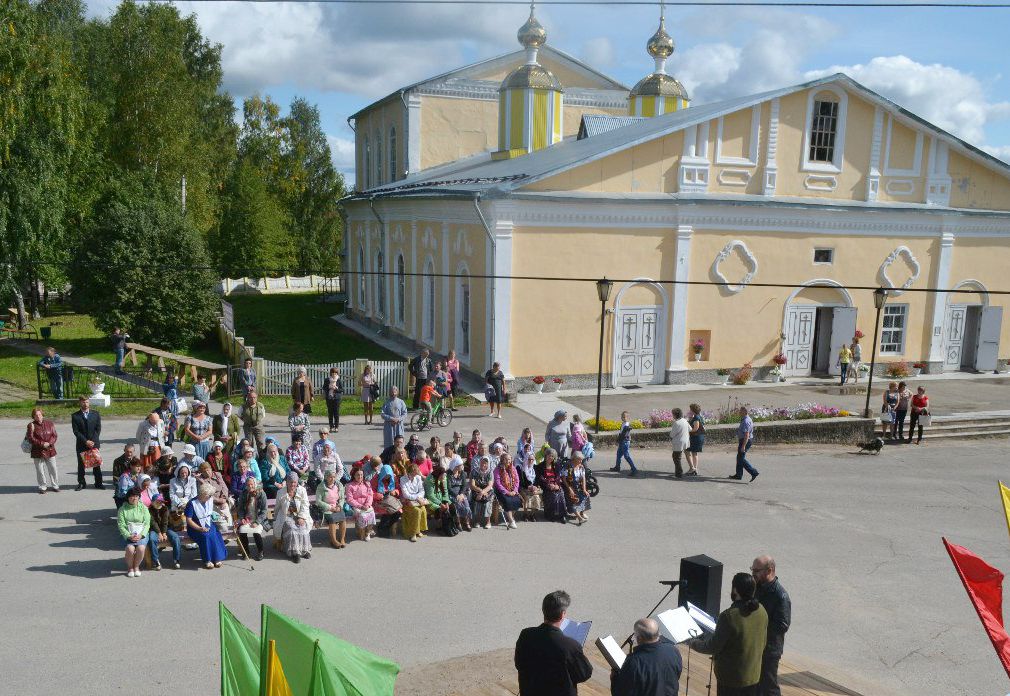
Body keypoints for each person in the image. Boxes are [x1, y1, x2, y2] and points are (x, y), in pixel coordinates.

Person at [690, 573, 768, 696]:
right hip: (753, 675)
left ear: (735, 590)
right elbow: (763, 643)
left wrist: (694, 643)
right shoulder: (762, 611)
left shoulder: (729, 616)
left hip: (731, 679)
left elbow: (713, 647)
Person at [514, 590, 593, 696]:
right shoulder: (570, 646)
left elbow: (519, 664)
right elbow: (584, 674)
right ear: (562, 615)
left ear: (543, 610)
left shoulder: (526, 635)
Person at [610, 617, 682, 696]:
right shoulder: (672, 650)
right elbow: (676, 674)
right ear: (658, 633)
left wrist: (614, 678)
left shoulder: (634, 662)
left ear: (639, 638)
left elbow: (621, 693)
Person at [752, 555, 791, 696]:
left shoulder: (781, 596)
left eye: (756, 570)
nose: (753, 573)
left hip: (770, 650)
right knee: (755, 685)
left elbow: (783, 625)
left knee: (769, 686)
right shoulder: (757, 587)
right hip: (756, 646)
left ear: (769, 570)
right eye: (752, 569)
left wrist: (758, 627)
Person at [186, 484, 228, 569]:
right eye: (209, 495)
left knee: (214, 534)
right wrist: (199, 528)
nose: (210, 497)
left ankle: (217, 558)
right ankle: (207, 560)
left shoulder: (209, 499)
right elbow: (189, 520)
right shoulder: (192, 503)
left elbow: (211, 511)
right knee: (205, 536)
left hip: (208, 524)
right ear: (203, 494)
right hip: (195, 527)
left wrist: (221, 514)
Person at [274, 472, 313, 562]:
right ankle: (294, 552)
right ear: (287, 482)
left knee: (302, 527)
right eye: (290, 482)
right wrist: (276, 519)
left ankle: (304, 550)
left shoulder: (302, 490)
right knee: (292, 529)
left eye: (294, 482)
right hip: (286, 515)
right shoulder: (280, 492)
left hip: (300, 515)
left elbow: (305, 505)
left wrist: (302, 517)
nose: (292, 484)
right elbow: (277, 507)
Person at [71, 395, 104, 491]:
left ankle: (98, 483)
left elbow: (98, 429)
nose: (85, 404)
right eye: (83, 402)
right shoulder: (75, 416)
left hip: (94, 443)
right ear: (80, 403)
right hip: (82, 444)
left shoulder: (96, 414)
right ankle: (81, 483)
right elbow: (76, 431)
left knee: (96, 464)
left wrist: (93, 441)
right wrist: (86, 441)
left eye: (87, 402)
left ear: (89, 403)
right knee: (81, 465)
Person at [117, 487, 151, 578]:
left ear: (139, 497)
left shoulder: (143, 508)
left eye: (136, 496)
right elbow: (121, 525)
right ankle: (130, 567)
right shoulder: (122, 509)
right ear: (128, 497)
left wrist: (141, 535)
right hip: (128, 534)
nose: (134, 498)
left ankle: (136, 566)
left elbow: (147, 523)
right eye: (132, 496)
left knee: (141, 548)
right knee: (130, 549)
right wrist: (128, 535)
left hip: (141, 534)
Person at [27, 407, 59, 493]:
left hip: (50, 449)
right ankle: (42, 486)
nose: (38, 417)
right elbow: (30, 438)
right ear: (33, 416)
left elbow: (54, 435)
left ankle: (55, 485)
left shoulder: (50, 423)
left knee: (53, 468)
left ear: (42, 415)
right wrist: (42, 444)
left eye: (40, 415)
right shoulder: (31, 425)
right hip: (37, 450)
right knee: (40, 470)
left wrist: (49, 443)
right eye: (36, 415)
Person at [236, 476, 269, 561]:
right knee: (242, 531)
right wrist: (242, 518)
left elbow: (264, 511)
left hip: (258, 518)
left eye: (251, 484)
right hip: (247, 518)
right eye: (248, 485)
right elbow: (240, 508)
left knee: (256, 532)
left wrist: (257, 522)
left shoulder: (262, 494)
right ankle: (246, 552)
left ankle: (261, 551)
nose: (250, 486)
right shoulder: (244, 493)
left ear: (255, 484)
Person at [197, 462, 233, 535]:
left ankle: (228, 531)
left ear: (211, 469)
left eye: (208, 470)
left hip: (222, 499)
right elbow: (206, 494)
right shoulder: (200, 480)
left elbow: (224, 487)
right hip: (210, 501)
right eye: (204, 471)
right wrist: (218, 500)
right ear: (201, 472)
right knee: (216, 517)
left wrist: (223, 499)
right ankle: (219, 532)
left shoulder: (217, 475)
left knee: (225, 510)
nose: (207, 472)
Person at [147, 493, 181, 570]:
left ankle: (176, 559)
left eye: (161, 501)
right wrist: (159, 533)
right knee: (152, 539)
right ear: (153, 502)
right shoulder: (149, 510)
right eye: (157, 501)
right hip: (154, 529)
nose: (159, 503)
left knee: (175, 538)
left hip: (166, 528)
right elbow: (153, 523)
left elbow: (165, 522)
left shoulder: (165, 509)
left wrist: (164, 533)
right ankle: (156, 560)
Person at [316, 470, 347, 549]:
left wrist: (339, 506)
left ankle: (342, 539)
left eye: (334, 477)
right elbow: (318, 501)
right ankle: (334, 540)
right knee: (332, 519)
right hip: (326, 509)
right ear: (326, 477)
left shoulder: (338, 484)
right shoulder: (321, 486)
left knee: (343, 518)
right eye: (330, 477)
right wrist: (330, 508)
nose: (332, 479)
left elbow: (342, 498)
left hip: (337, 507)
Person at [399, 461, 429, 542]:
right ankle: (413, 533)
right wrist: (417, 498)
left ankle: (418, 530)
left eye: (416, 473)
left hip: (417, 500)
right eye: (413, 474)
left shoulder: (418, 478)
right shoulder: (403, 479)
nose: (415, 475)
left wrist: (418, 498)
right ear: (409, 472)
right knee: (417, 511)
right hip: (407, 501)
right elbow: (406, 494)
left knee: (423, 509)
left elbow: (422, 490)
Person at [345, 467, 377, 541]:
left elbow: (370, 495)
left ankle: (368, 532)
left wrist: (367, 504)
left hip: (366, 505)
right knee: (362, 516)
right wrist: (360, 506)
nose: (360, 477)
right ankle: (361, 531)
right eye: (358, 475)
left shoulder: (367, 484)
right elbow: (350, 499)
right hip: (356, 506)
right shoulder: (349, 486)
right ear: (354, 475)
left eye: (361, 475)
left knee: (372, 514)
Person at [516, 438, 542, 522]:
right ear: (526, 459)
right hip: (525, 488)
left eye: (532, 459)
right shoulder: (522, 469)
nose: (531, 461)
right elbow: (521, 481)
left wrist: (535, 487)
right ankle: (525, 514)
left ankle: (532, 514)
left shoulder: (535, 468)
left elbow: (538, 479)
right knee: (527, 497)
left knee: (536, 496)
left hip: (534, 488)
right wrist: (529, 487)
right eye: (529, 459)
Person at [494, 452, 522, 529]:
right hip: (501, 491)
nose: (508, 461)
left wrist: (515, 490)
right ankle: (511, 520)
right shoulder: (497, 469)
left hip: (512, 490)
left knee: (518, 500)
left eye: (509, 459)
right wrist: (507, 492)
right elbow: (497, 483)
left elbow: (517, 480)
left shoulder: (513, 468)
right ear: (502, 460)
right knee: (507, 501)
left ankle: (511, 517)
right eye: (506, 459)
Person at [730, 407, 758, 482]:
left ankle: (753, 472)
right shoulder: (746, 419)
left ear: (745, 412)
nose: (739, 412)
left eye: (741, 411)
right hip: (744, 440)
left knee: (740, 459)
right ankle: (738, 475)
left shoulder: (746, 421)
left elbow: (746, 435)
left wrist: (743, 446)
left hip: (745, 441)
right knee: (739, 457)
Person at [424, 464, 455, 534]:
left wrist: (446, 501)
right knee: (439, 509)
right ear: (438, 475)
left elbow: (445, 490)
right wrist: (440, 504)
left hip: (441, 497)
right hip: (430, 499)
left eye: (444, 477)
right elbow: (430, 495)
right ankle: (439, 527)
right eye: (441, 477)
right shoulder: (430, 479)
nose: (443, 479)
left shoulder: (444, 477)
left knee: (452, 507)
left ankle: (451, 525)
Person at [538, 449, 567, 523]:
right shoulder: (540, 466)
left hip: (556, 485)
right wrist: (548, 485)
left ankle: (562, 515)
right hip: (546, 486)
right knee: (552, 496)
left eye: (552, 456)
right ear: (546, 456)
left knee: (561, 494)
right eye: (549, 456)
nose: (551, 457)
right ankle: (550, 515)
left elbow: (558, 477)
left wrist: (557, 485)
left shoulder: (556, 465)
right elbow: (540, 478)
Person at [564, 452, 591, 524]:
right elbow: (563, 478)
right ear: (574, 459)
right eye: (579, 459)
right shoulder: (568, 466)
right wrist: (569, 489)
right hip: (570, 486)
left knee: (586, 495)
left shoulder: (581, 467)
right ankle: (579, 518)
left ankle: (582, 512)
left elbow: (583, 478)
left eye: (581, 460)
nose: (581, 461)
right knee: (574, 499)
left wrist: (584, 489)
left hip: (578, 485)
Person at [446, 458, 472, 531]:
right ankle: (458, 522)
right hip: (452, 494)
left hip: (461, 493)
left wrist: (461, 494)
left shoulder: (463, 473)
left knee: (466, 506)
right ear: (456, 466)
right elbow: (448, 488)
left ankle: (467, 522)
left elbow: (464, 486)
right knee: (457, 506)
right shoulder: (448, 474)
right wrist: (456, 495)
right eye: (461, 465)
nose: (462, 466)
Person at [470, 456, 495, 529]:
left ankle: (488, 521)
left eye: (485, 463)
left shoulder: (490, 472)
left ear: (488, 464)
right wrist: (480, 491)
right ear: (479, 462)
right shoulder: (474, 471)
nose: (483, 465)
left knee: (487, 501)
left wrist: (482, 493)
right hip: (477, 489)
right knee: (477, 501)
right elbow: (472, 485)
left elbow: (490, 485)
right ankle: (477, 521)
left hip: (487, 490)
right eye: (482, 463)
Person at [611, 411, 638, 476]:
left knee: (627, 456)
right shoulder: (624, 423)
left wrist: (619, 439)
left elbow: (624, 434)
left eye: (624, 417)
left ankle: (634, 469)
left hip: (625, 442)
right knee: (618, 455)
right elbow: (621, 433)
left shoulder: (627, 425)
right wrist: (619, 439)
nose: (622, 418)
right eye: (622, 416)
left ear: (628, 418)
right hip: (622, 441)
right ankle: (617, 467)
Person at [240, 390, 267, 454]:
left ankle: (261, 458)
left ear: (256, 398)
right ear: (248, 398)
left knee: (260, 443)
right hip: (248, 427)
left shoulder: (260, 405)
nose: (253, 399)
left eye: (254, 397)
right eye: (251, 397)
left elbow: (263, 415)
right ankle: (250, 458)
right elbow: (239, 415)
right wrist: (246, 420)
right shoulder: (243, 406)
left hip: (258, 426)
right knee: (249, 443)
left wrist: (257, 421)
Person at [669, 408, 690, 479]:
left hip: (678, 442)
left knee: (676, 458)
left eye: (673, 414)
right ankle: (678, 472)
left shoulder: (676, 423)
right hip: (685, 441)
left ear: (675, 415)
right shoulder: (685, 420)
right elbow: (689, 429)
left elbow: (672, 434)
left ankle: (679, 473)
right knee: (678, 456)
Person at [686, 403, 705, 476]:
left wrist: (687, 431)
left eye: (690, 409)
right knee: (694, 453)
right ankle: (694, 469)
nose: (689, 410)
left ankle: (693, 468)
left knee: (688, 451)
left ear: (693, 410)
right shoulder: (698, 416)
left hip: (696, 437)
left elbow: (695, 429)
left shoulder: (696, 417)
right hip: (698, 437)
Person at [322, 367, 343, 431]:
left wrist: (336, 389)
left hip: (337, 398)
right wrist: (329, 387)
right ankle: (331, 427)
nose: (334, 374)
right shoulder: (327, 380)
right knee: (330, 413)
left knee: (336, 413)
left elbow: (342, 390)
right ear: (331, 373)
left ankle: (336, 427)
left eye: (335, 373)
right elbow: (324, 388)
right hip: (329, 398)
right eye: (333, 372)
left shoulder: (338, 380)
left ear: (337, 373)